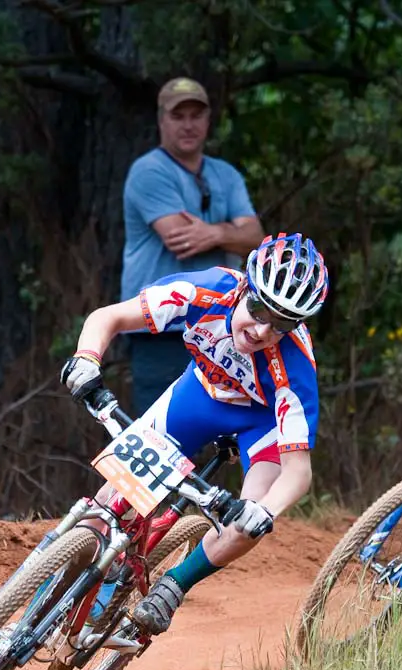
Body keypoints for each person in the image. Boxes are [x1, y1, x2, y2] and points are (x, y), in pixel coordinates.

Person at [61, 233, 328, 634]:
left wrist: (265, 510)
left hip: (261, 423)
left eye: (282, 323)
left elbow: (297, 472)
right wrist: (86, 358)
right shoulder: (207, 290)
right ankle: (51, 588)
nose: (261, 330)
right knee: (110, 500)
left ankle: (175, 584)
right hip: (202, 394)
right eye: (257, 308)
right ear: (244, 288)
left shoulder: (293, 368)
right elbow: (109, 317)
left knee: (247, 521)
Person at [121, 76, 266, 414]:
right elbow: (180, 238)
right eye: (178, 116)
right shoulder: (148, 171)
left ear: (208, 119)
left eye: (196, 115)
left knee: (218, 438)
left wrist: (214, 234)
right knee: (157, 436)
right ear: (161, 120)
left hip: (217, 330)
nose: (188, 125)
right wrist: (232, 230)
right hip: (159, 329)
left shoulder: (225, 174)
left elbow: (257, 236)